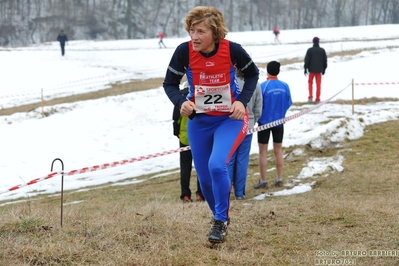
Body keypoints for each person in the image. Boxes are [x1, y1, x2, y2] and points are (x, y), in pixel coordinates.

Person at [163, 6, 259, 244]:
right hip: (200, 122)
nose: (194, 36)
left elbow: (253, 75)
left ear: (215, 34)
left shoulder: (232, 50)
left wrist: (241, 103)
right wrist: (181, 103)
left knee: (218, 166)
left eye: (200, 31)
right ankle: (219, 215)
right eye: (191, 31)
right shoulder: (184, 52)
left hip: (230, 119)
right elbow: (169, 84)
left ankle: (220, 221)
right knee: (204, 180)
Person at [253, 61, 292, 190]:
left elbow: (258, 104)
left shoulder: (263, 86)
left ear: (267, 71)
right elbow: (288, 102)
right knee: (278, 150)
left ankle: (263, 181)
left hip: (264, 123)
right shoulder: (285, 86)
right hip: (279, 122)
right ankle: (279, 179)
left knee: (263, 151)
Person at [228, 71, 262, 200]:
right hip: (248, 125)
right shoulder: (255, 85)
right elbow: (258, 107)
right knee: (242, 159)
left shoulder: (230, 83)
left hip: (231, 125)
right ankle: (240, 192)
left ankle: (227, 190)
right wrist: (253, 120)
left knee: (230, 159)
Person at [172, 82, 204, 203]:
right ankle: (200, 194)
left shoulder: (180, 98)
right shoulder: (200, 96)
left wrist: (178, 134)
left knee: (185, 167)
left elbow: (176, 118)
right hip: (200, 138)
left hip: (184, 138)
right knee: (200, 166)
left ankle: (185, 195)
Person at [304, 37, 327, 102]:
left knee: (310, 83)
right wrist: (324, 69)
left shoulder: (310, 50)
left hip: (311, 70)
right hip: (319, 70)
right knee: (318, 84)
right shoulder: (322, 50)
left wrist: (305, 68)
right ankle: (317, 98)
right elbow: (324, 61)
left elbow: (307, 60)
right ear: (318, 42)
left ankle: (310, 97)